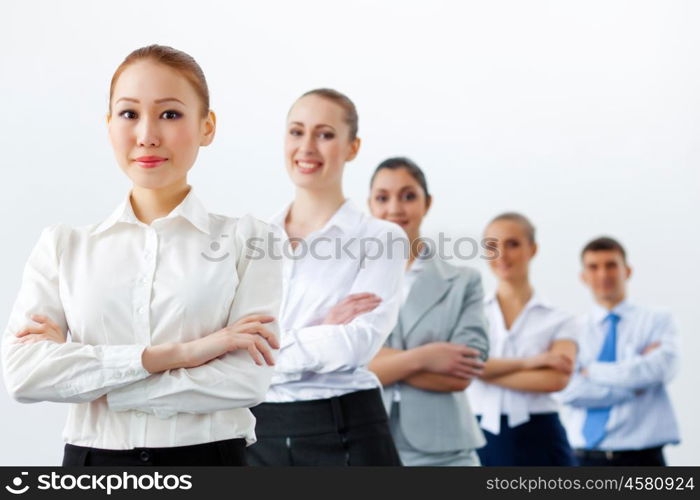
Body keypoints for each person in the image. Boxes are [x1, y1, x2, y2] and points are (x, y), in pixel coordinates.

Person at [1, 45, 283, 466]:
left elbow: (244, 381)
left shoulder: (252, 241)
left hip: (210, 462)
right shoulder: (63, 247)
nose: (147, 135)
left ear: (208, 127)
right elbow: (24, 374)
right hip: (92, 467)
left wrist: (97, 382)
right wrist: (183, 354)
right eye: (129, 114)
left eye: (170, 114)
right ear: (109, 124)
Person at [246, 89, 406, 466]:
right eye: (296, 132)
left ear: (353, 147)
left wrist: (263, 348)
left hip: (346, 427)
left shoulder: (380, 238)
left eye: (325, 134)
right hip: (256, 432)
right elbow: (222, 347)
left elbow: (355, 345)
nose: (307, 147)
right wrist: (322, 328)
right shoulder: (249, 240)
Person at [367, 157, 489, 466]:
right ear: (370, 205)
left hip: (446, 453)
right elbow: (341, 367)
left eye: (408, 196)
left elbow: (462, 372)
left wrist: (378, 362)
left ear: (427, 202)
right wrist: (426, 357)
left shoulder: (463, 281)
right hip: (366, 443)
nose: (395, 208)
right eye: (383, 197)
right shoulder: (347, 281)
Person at [557, 237, 680, 466]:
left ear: (628, 270)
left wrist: (590, 371)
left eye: (611, 265)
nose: (603, 274)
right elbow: (566, 390)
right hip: (585, 459)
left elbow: (662, 370)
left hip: (644, 458)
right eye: (593, 267)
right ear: (583, 277)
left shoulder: (657, 320)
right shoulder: (570, 330)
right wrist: (635, 384)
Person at [467, 212, 577, 466]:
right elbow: (466, 366)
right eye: (493, 246)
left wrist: (486, 370)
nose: (502, 255)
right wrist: (533, 362)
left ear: (533, 249)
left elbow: (555, 378)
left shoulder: (560, 319)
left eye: (513, 244)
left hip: (541, 435)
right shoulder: (470, 314)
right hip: (480, 435)